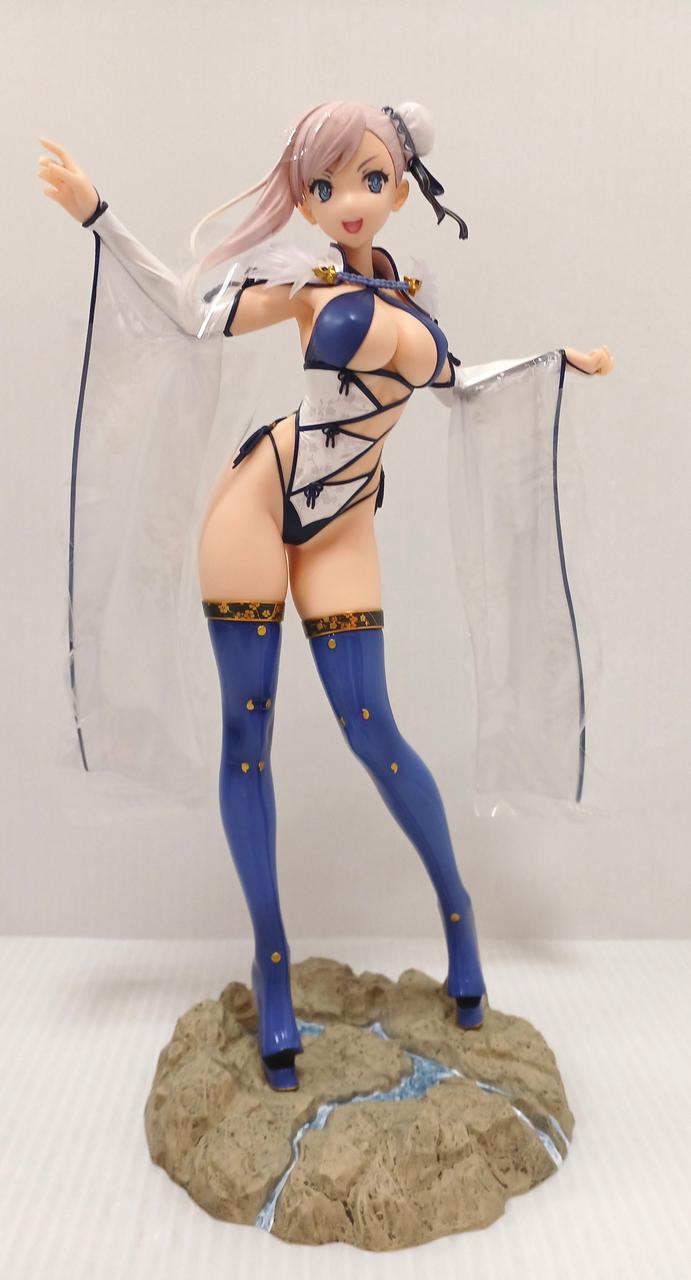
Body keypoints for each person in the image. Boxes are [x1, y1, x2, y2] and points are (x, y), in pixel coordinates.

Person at [37, 99, 613, 1093]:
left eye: (371, 179)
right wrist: (100, 215)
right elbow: (188, 315)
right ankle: (271, 971)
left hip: (342, 521)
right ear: (304, 199)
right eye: (325, 184)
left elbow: (460, 384)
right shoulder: (303, 284)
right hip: (257, 504)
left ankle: (460, 922)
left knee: (371, 725)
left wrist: (554, 361)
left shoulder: (413, 296)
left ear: (402, 188)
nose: (349, 200)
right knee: (247, 733)